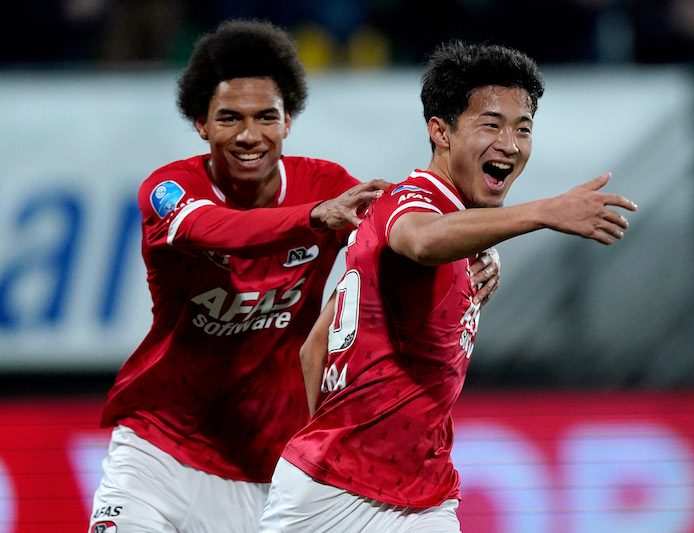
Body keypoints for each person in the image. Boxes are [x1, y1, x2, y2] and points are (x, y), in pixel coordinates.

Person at [87, 19, 503, 533]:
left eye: (266, 116)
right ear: (201, 124)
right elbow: (214, 228)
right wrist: (312, 217)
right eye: (229, 118)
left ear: (288, 122)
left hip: (268, 472)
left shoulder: (325, 184)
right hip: (158, 455)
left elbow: (411, 222)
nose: (249, 135)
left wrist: (478, 248)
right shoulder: (169, 189)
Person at [259, 40, 637, 532]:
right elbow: (421, 240)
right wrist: (544, 211)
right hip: (331, 497)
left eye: (523, 129)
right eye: (491, 125)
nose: (510, 144)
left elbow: (315, 348)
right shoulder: (410, 200)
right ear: (440, 131)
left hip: (423, 495)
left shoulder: (462, 231)